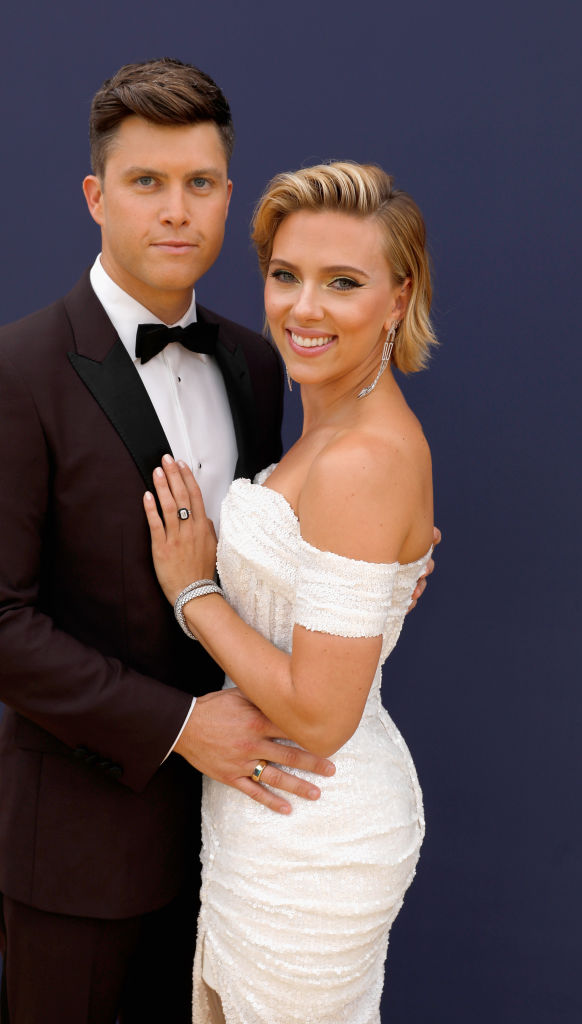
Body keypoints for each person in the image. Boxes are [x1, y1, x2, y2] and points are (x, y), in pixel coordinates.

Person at [0, 59, 347, 1024]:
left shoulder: (255, 362)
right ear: (96, 197)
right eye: (146, 182)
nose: (175, 211)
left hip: (235, 843)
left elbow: (263, 551)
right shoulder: (3, 374)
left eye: (199, 183)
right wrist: (180, 726)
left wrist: (371, 568)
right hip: (77, 852)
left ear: (228, 198)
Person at [143, 160, 437, 1023]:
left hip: (313, 821)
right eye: (284, 275)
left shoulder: (361, 458)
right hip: (268, 810)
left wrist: (194, 592)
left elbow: (319, 714)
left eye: (342, 282)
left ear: (397, 296)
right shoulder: (328, 425)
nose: (303, 308)